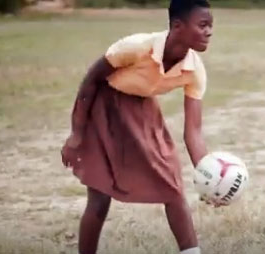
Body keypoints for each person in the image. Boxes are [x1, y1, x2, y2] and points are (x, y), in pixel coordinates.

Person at [60, 0, 214, 253]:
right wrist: (77, 134)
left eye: (211, 26)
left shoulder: (195, 70)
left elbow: (193, 131)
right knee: (99, 197)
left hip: (143, 111)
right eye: (203, 25)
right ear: (177, 26)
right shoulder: (136, 47)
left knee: (173, 187)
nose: (209, 32)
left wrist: (208, 176)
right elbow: (90, 81)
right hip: (104, 108)